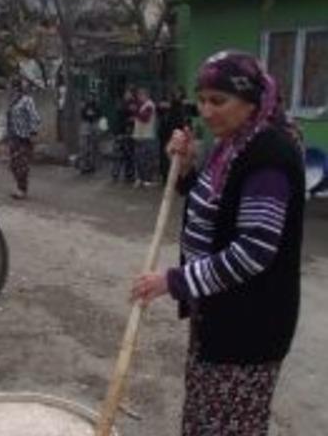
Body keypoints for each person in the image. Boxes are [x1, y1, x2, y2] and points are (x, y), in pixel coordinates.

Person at [131, 50, 305, 436]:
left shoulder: (268, 156)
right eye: (203, 99)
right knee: (204, 418)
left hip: (248, 327)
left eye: (218, 101)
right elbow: (210, 207)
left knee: (228, 426)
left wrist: (173, 281)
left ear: (252, 101)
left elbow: (253, 252)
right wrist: (187, 166)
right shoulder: (231, 145)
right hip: (215, 315)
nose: (206, 112)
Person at [3, 77, 42, 199]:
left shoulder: (27, 100)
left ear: (17, 88)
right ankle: (20, 187)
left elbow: (35, 117)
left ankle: (22, 189)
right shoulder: (12, 101)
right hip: (13, 137)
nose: (9, 90)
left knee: (21, 165)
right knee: (13, 164)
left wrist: (33, 133)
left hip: (24, 138)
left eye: (11, 87)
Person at [158, 86, 190, 181]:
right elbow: (160, 110)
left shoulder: (181, 104)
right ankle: (165, 175)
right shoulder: (168, 104)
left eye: (178, 92)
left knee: (177, 154)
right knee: (165, 154)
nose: (176, 94)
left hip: (177, 131)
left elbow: (192, 112)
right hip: (166, 132)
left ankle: (177, 175)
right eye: (175, 92)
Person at [111, 86, 138, 183]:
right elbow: (121, 114)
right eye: (128, 93)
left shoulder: (133, 104)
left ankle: (129, 174)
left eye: (131, 93)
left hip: (129, 132)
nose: (130, 95)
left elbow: (135, 115)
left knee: (129, 154)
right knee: (118, 155)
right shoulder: (121, 103)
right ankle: (116, 174)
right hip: (120, 132)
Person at [133, 87, 158, 187]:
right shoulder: (141, 105)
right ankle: (140, 178)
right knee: (139, 158)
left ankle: (147, 179)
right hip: (139, 135)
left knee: (146, 158)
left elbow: (145, 118)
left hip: (147, 136)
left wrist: (135, 112)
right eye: (138, 95)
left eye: (141, 95)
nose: (139, 97)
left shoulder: (149, 105)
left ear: (146, 95)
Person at [78, 93, 102, 174]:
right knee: (84, 147)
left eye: (92, 96)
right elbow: (83, 114)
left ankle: (92, 166)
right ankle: (83, 166)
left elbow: (98, 115)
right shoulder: (84, 105)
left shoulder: (96, 105)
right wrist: (88, 113)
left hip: (93, 125)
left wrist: (92, 114)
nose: (90, 98)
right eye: (89, 96)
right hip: (86, 125)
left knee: (93, 147)